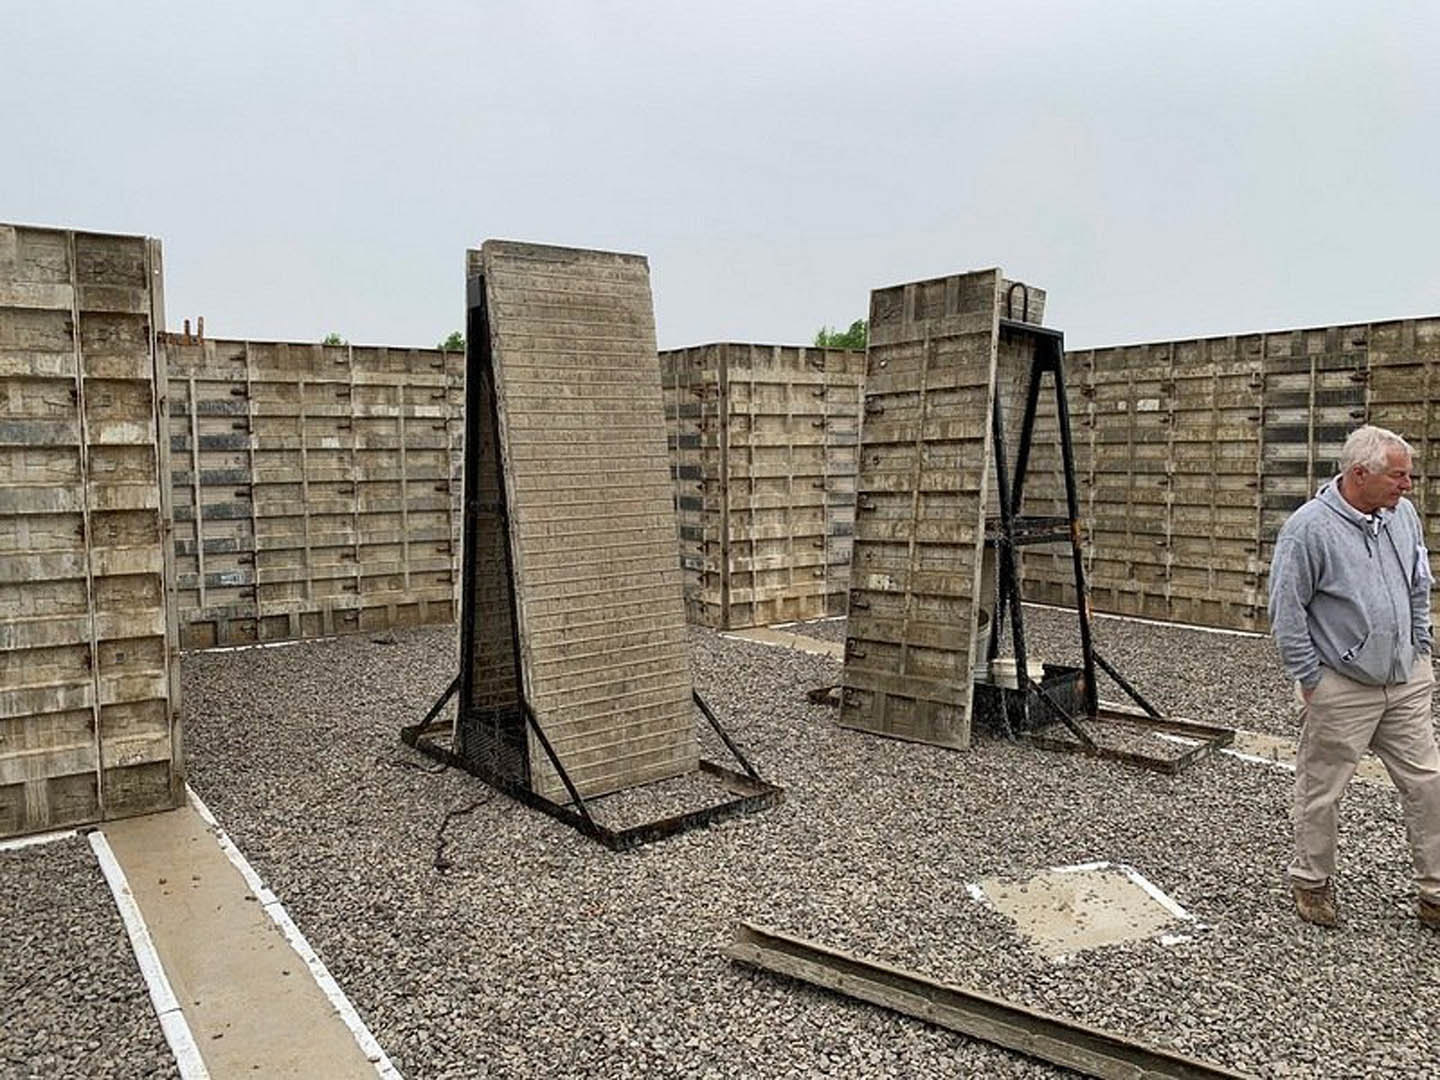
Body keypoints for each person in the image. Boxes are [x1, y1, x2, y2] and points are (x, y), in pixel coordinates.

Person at [1268, 424, 1440, 929]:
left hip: (1405, 681)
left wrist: (1420, 652)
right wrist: (1310, 677)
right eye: (1399, 476)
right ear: (1359, 474)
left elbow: (1417, 583)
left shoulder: (1401, 515)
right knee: (1322, 790)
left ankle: (1435, 893)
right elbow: (1287, 611)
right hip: (1340, 686)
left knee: (1429, 784)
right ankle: (1312, 883)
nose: (1408, 485)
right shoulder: (1308, 529)